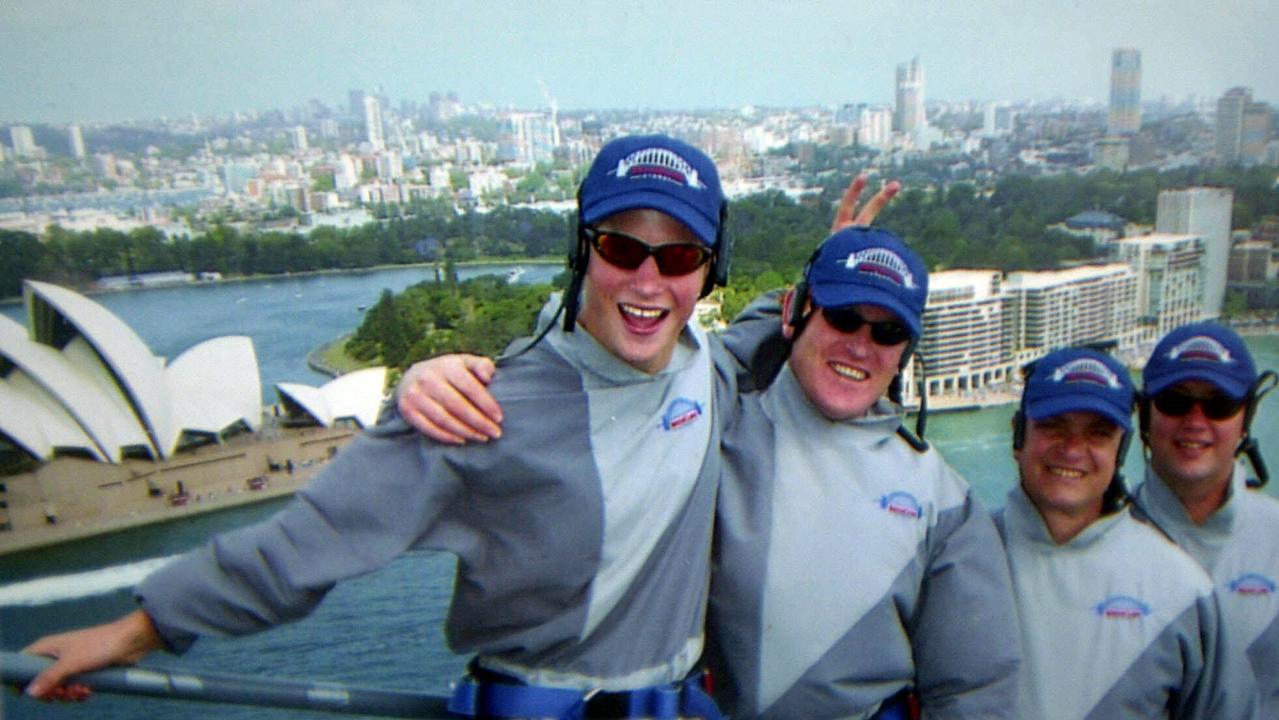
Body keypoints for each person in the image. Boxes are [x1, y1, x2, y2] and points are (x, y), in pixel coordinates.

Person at [24, 134, 742, 720]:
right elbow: (309, 544)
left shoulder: (709, 366)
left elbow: (819, 339)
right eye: (622, 249)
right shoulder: (478, 407)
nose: (649, 283)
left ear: (707, 272)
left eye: (678, 257)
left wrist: (838, 257)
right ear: (583, 249)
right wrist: (136, 631)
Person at [401, 226, 1023, 718]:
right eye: (840, 317)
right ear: (797, 312)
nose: (861, 345)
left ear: (905, 353)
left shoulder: (945, 501)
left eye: (887, 331)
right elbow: (610, 366)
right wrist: (437, 381)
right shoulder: (713, 418)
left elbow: (975, 687)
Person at [997, 347, 1257, 719]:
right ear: (1018, 435)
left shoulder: (1182, 587)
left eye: (1098, 434)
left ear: (1122, 451)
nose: (1072, 450)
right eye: (1054, 425)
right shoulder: (959, 555)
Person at [1133, 322, 1279, 715]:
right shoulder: (1099, 539)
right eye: (1176, 401)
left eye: (1219, 404)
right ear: (1145, 414)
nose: (1195, 420)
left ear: (1245, 418)